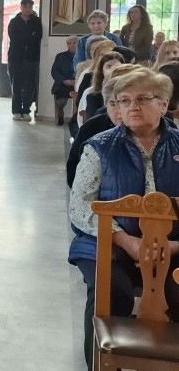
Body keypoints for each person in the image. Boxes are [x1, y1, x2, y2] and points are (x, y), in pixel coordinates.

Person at [69, 67, 179, 370]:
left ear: (164, 104)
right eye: (125, 100)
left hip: (171, 247)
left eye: (143, 99)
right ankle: (101, 362)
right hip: (107, 243)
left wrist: (173, 246)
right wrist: (126, 240)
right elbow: (80, 206)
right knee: (111, 289)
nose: (132, 107)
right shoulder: (99, 146)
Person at [7, 0, 43, 121]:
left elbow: (38, 36)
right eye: (25, 7)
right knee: (16, 85)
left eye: (30, 7)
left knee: (30, 85)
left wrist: (27, 37)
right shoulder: (14, 22)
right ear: (21, 7)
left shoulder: (37, 22)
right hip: (15, 58)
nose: (28, 10)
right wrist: (29, 36)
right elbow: (14, 38)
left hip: (32, 58)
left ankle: (26, 110)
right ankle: (16, 110)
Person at [52, 35, 79, 126]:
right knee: (60, 101)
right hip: (64, 83)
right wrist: (64, 80)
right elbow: (54, 71)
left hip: (78, 83)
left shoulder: (83, 56)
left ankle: (75, 121)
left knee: (79, 100)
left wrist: (76, 81)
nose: (72, 45)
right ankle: (60, 113)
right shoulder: (60, 56)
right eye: (69, 43)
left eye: (74, 43)